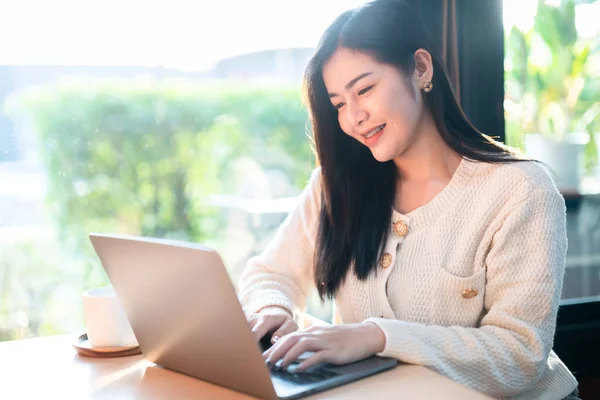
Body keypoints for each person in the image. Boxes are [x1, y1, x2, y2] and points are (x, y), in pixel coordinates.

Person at [237, 0, 579, 398]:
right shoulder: (335, 186)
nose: (353, 118)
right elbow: (268, 275)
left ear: (420, 68)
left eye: (364, 89)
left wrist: (378, 336)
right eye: (339, 104)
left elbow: (518, 355)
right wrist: (272, 311)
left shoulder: (520, 190)